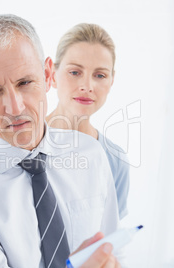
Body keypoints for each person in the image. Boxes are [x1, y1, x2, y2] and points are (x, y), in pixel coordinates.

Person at [0, 14, 121, 268]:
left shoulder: (91, 154)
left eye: (25, 82)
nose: (14, 107)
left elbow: (111, 251)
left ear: (47, 74)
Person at [46, 23, 130, 219]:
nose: (87, 86)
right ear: (52, 74)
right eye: (75, 72)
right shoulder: (22, 141)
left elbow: (109, 235)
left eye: (100, 75)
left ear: (111, 81)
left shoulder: (115, 160)